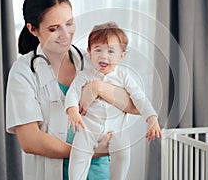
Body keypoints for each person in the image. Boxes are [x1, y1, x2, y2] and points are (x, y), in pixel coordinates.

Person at [5, 0, 139, 180]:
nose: (65, 34)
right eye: (53, 29)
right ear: (32, 29)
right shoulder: (24, 71)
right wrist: (88, 152)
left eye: (69, 23)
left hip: (101, 172)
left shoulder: (91, 60)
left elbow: (134, 106)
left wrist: (97, 87)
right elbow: (30, 141)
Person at [65, 21, 163, 180]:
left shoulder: (124, 77)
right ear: (89, 51)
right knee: (78, 154)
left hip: (116, 130)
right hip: (88, 129)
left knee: (123, 153)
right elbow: (72, 94)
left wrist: (152, 119)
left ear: (121, 56)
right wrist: (73, 112)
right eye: (98, 50)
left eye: (111, 51)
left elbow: (139, 98)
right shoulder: (84, 76)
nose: (104, 56)